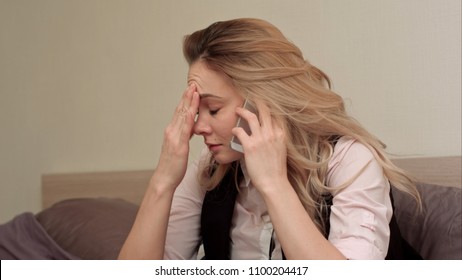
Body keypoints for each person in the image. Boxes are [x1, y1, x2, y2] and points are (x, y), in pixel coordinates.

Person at [118, 18, 421, 260]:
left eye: (212, 109)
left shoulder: (350, 160)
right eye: (197, 111)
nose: (198, 127)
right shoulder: (210, 168)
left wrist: (274, 184)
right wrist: (163, 181)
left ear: (263, 103)